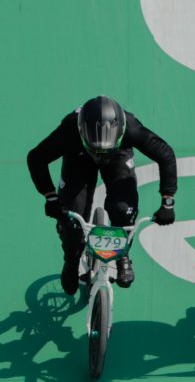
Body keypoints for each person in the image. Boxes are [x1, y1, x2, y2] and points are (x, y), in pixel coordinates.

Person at [28, 96, 178, 294]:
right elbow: (36, 158)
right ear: (81, 132)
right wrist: (50, 196)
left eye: (103, 152)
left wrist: (167, 202)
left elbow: (165, 154)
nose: (100, 157)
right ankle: (71, 261)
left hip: (118, 155)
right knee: (70, 221)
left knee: (123, 211)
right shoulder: (69, 129)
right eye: (96, 151)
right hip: (79, 157)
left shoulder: (130, 127)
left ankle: (122, 254)